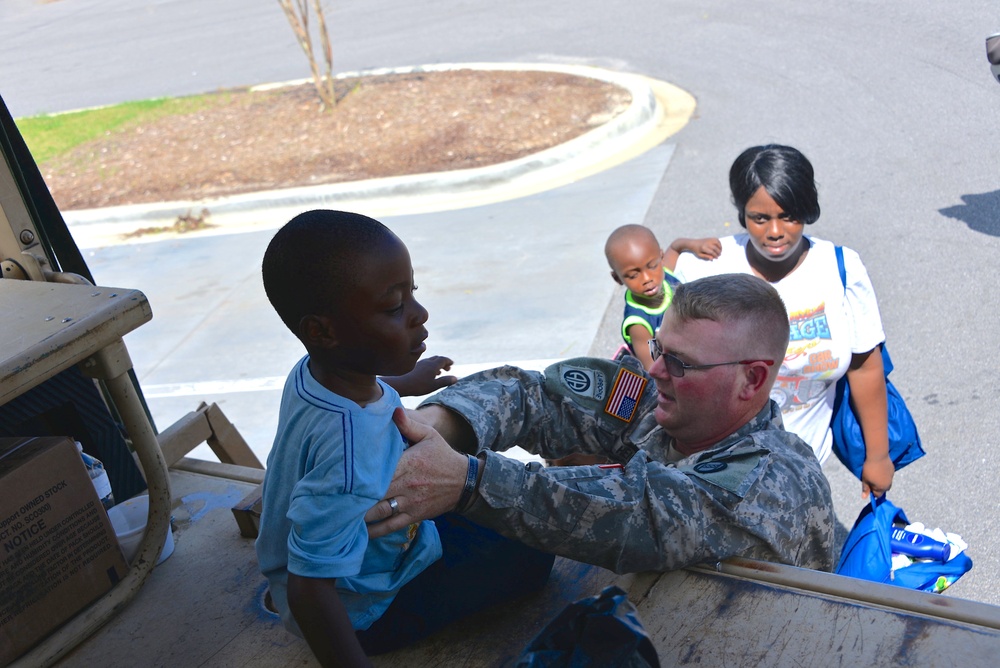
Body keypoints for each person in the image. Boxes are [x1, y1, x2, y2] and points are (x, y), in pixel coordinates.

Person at [366, 273, 837, 575]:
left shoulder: (773, 480)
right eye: (659, 348)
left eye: (681, 363)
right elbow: (535, 397)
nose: (655, 369)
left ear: (750, 379)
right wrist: (428, 425)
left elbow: (641, 514)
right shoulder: (659, 405)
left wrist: (468, 481)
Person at [256, 210, 553, 666]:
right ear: (322, 331)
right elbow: (308, 586)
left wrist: (407, 380)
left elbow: (360, 389)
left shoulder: (315, 374)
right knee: (533, 549)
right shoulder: (353, 455)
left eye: (412, 293)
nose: (419, 313)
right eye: (394, 308)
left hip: (369, 554)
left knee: (489, 498)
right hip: (371, 607)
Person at [672, 144, 893, 498]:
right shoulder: (704, 268)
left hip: (802, 479)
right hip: (712, 478)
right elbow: (662, 357)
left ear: (808, 208)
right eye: (759, 218)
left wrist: (878, 455)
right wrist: (675, 248)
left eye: (789, 216)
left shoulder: (841, 268)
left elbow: (865, 366)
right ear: (741, 212)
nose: (775, 231)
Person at [605, 224, 720, 371]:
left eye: (652, 266)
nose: (647, 278)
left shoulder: (665, 274)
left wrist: (695, 244)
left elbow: (675, 247)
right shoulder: (638, 325)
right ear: (617, 278)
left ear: (661, 257)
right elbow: (655, 368)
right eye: (634, 275)